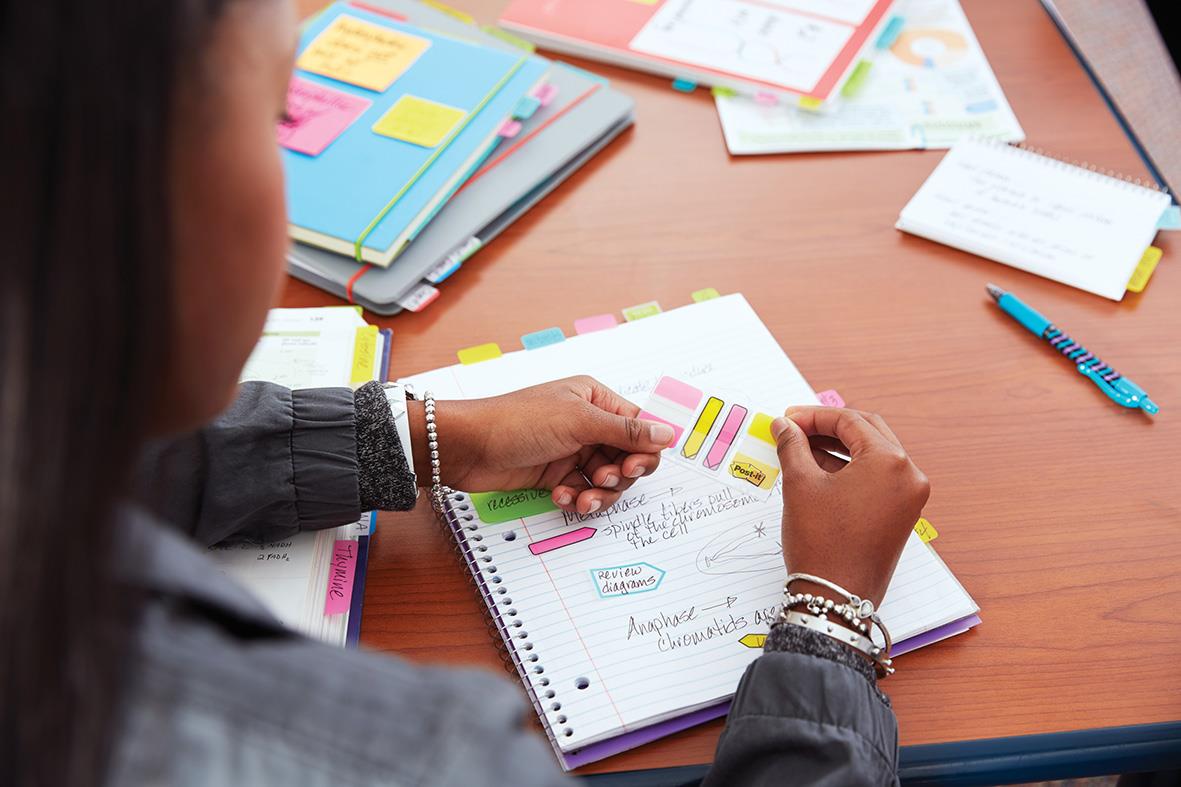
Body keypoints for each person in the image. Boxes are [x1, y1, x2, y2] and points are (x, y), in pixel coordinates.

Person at [0, 1, 930, 785]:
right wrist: (829, 612)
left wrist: (424, 439)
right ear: (131, 193)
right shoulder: (415, 757)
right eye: (278, 115)